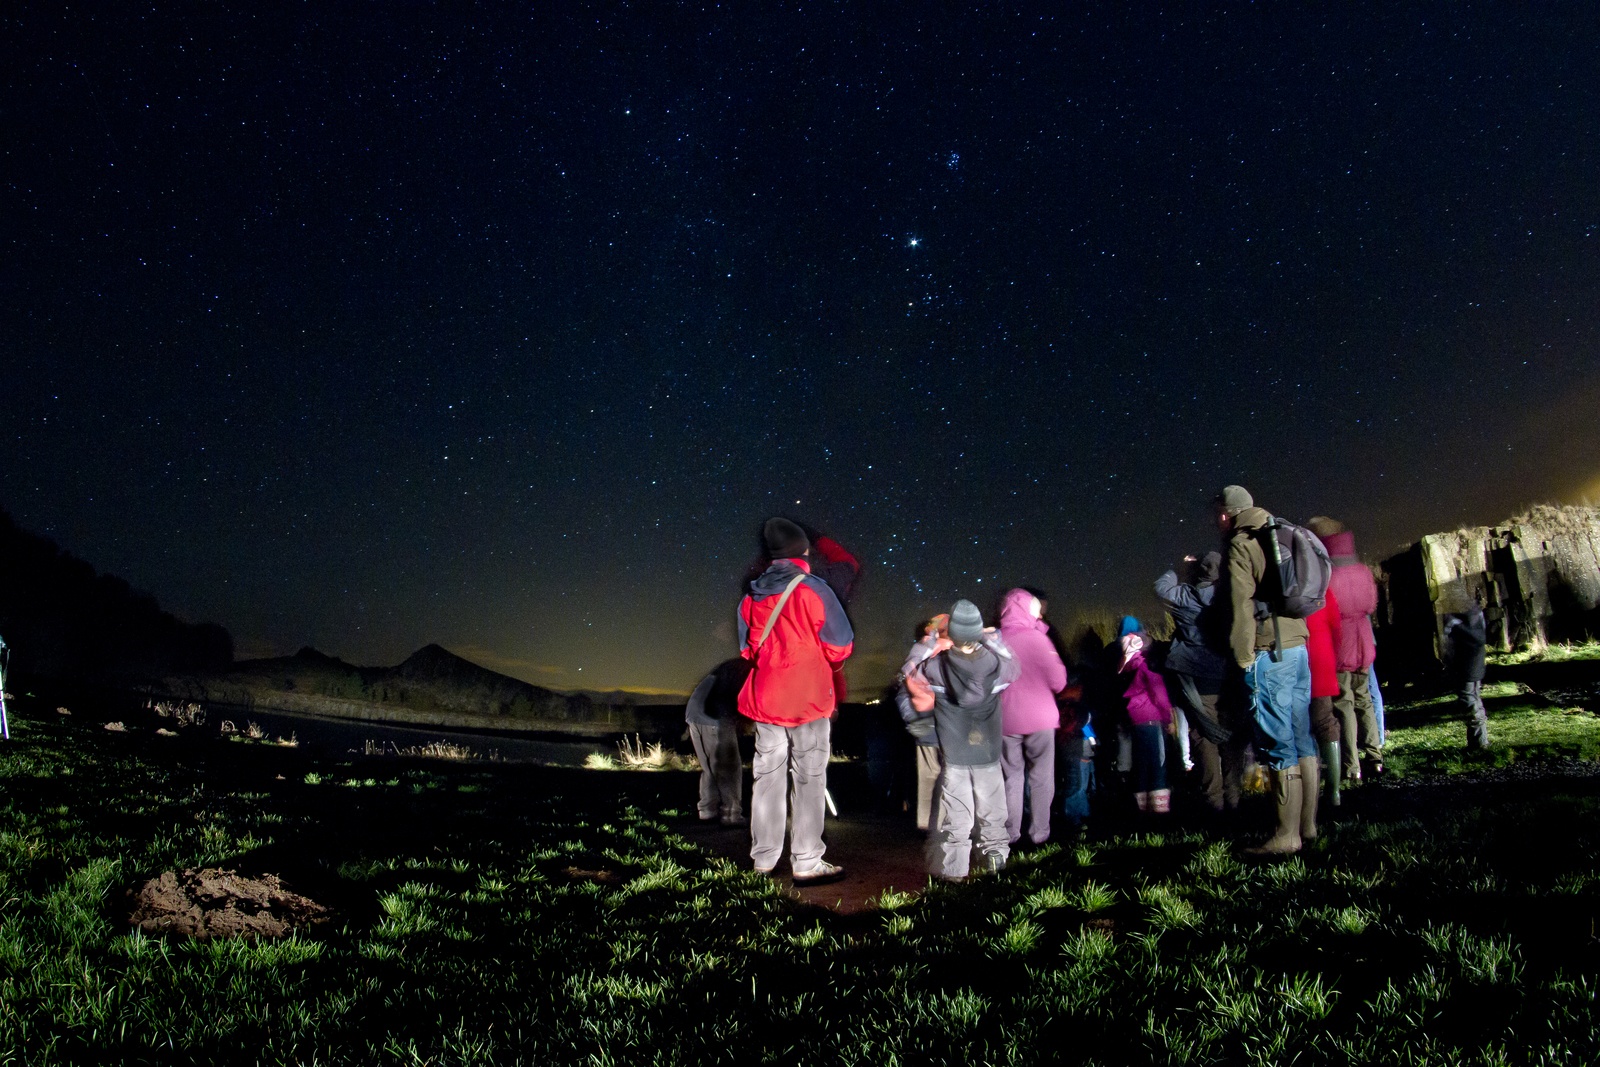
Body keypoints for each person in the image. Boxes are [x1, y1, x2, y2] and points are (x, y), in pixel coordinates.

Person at [737, 517, 854, 883]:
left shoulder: (750, 597)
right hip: (809, 698)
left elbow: (747, 650)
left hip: (766, 697)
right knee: (809, 777)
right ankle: (805, 859)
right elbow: (840, 646)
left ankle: (764, 859)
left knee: (767, 777)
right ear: (803, 551)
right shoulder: (815, 590)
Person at [1217, 484, 1316, 855]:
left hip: (1269, 651)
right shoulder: (1281, 530)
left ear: (1227, 514)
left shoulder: (1242, 544)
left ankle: (1285, 836)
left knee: (1278, 743)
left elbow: (1241, 608)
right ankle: (1307, 827)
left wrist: (1243, 657)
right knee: (1302, 735)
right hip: (1298, 645)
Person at [904, 599, 1020, 880]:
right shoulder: (997, 665)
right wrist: (993, 641)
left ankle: (955, 870)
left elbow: (910, 672)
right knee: (993, 809)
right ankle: (996, 860)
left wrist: (930, 642)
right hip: (988, 751)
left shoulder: (935, 667)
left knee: (956, 813)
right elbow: (1014, 666)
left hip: (955, 753)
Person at [1155, 552, 1242, 813]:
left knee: (1204, 735)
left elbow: (1160, 587)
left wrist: (1179, 571)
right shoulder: (1231, 596)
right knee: (1230, 737)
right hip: (1229, 674)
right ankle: (1234, 796)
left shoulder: (1185, 596)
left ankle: (1213, 799)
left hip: (1196, 675)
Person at [998, 589, 1068, 846]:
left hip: (1006, 718)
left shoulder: (996, 641)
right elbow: (1059, 682)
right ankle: (1040, 833)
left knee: (1011, 777)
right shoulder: (1038, 639)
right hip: (1040, 716)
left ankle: (1010, 834)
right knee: (1041, 777)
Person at [1317, 521, 1384, 778]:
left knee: (1344, 703)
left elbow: (1325, 610)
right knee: (1364, 698)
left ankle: (1351, 764)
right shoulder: (1363, 570)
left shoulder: (1328, 574)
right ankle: (1375, 756)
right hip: (1363, 639)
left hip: (1341, 642)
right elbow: (1371, 603)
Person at [895, 614, 949, 831]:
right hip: (943, 721)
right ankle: (944, 822)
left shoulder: (921, 651)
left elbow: (902, 690)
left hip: (927, 721)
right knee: (949, 773)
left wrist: (912, 718)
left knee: (929, 775)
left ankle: (928, 823)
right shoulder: (946, 649)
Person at [684, 659, 748, 825]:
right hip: (715, 715)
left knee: (710, 768)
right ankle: (731, 814)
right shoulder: (748, 668)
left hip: (694, 713)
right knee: (729, 768)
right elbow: (737, 697)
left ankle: (707, 810)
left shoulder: (733, 665)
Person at [1118, 632, 1174, 814]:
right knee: (1158, 762)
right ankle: (1159, 810)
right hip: (1152, 719)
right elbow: (1159, 694)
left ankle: (1141, 808)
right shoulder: (1147, 666)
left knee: (1141, 764)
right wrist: (1168, 718)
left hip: (1136, 720)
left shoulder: (1128, 665)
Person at [1443, 598, 1490, 750]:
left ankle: (1479, 744)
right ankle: (1479, 741)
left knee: (1470, 702)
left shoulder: (1455, 619)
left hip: (1465, 665)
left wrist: (1449, 661)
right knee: (1475, 700)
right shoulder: (1475, 612)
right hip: (1476, 663)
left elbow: (1449, 642)